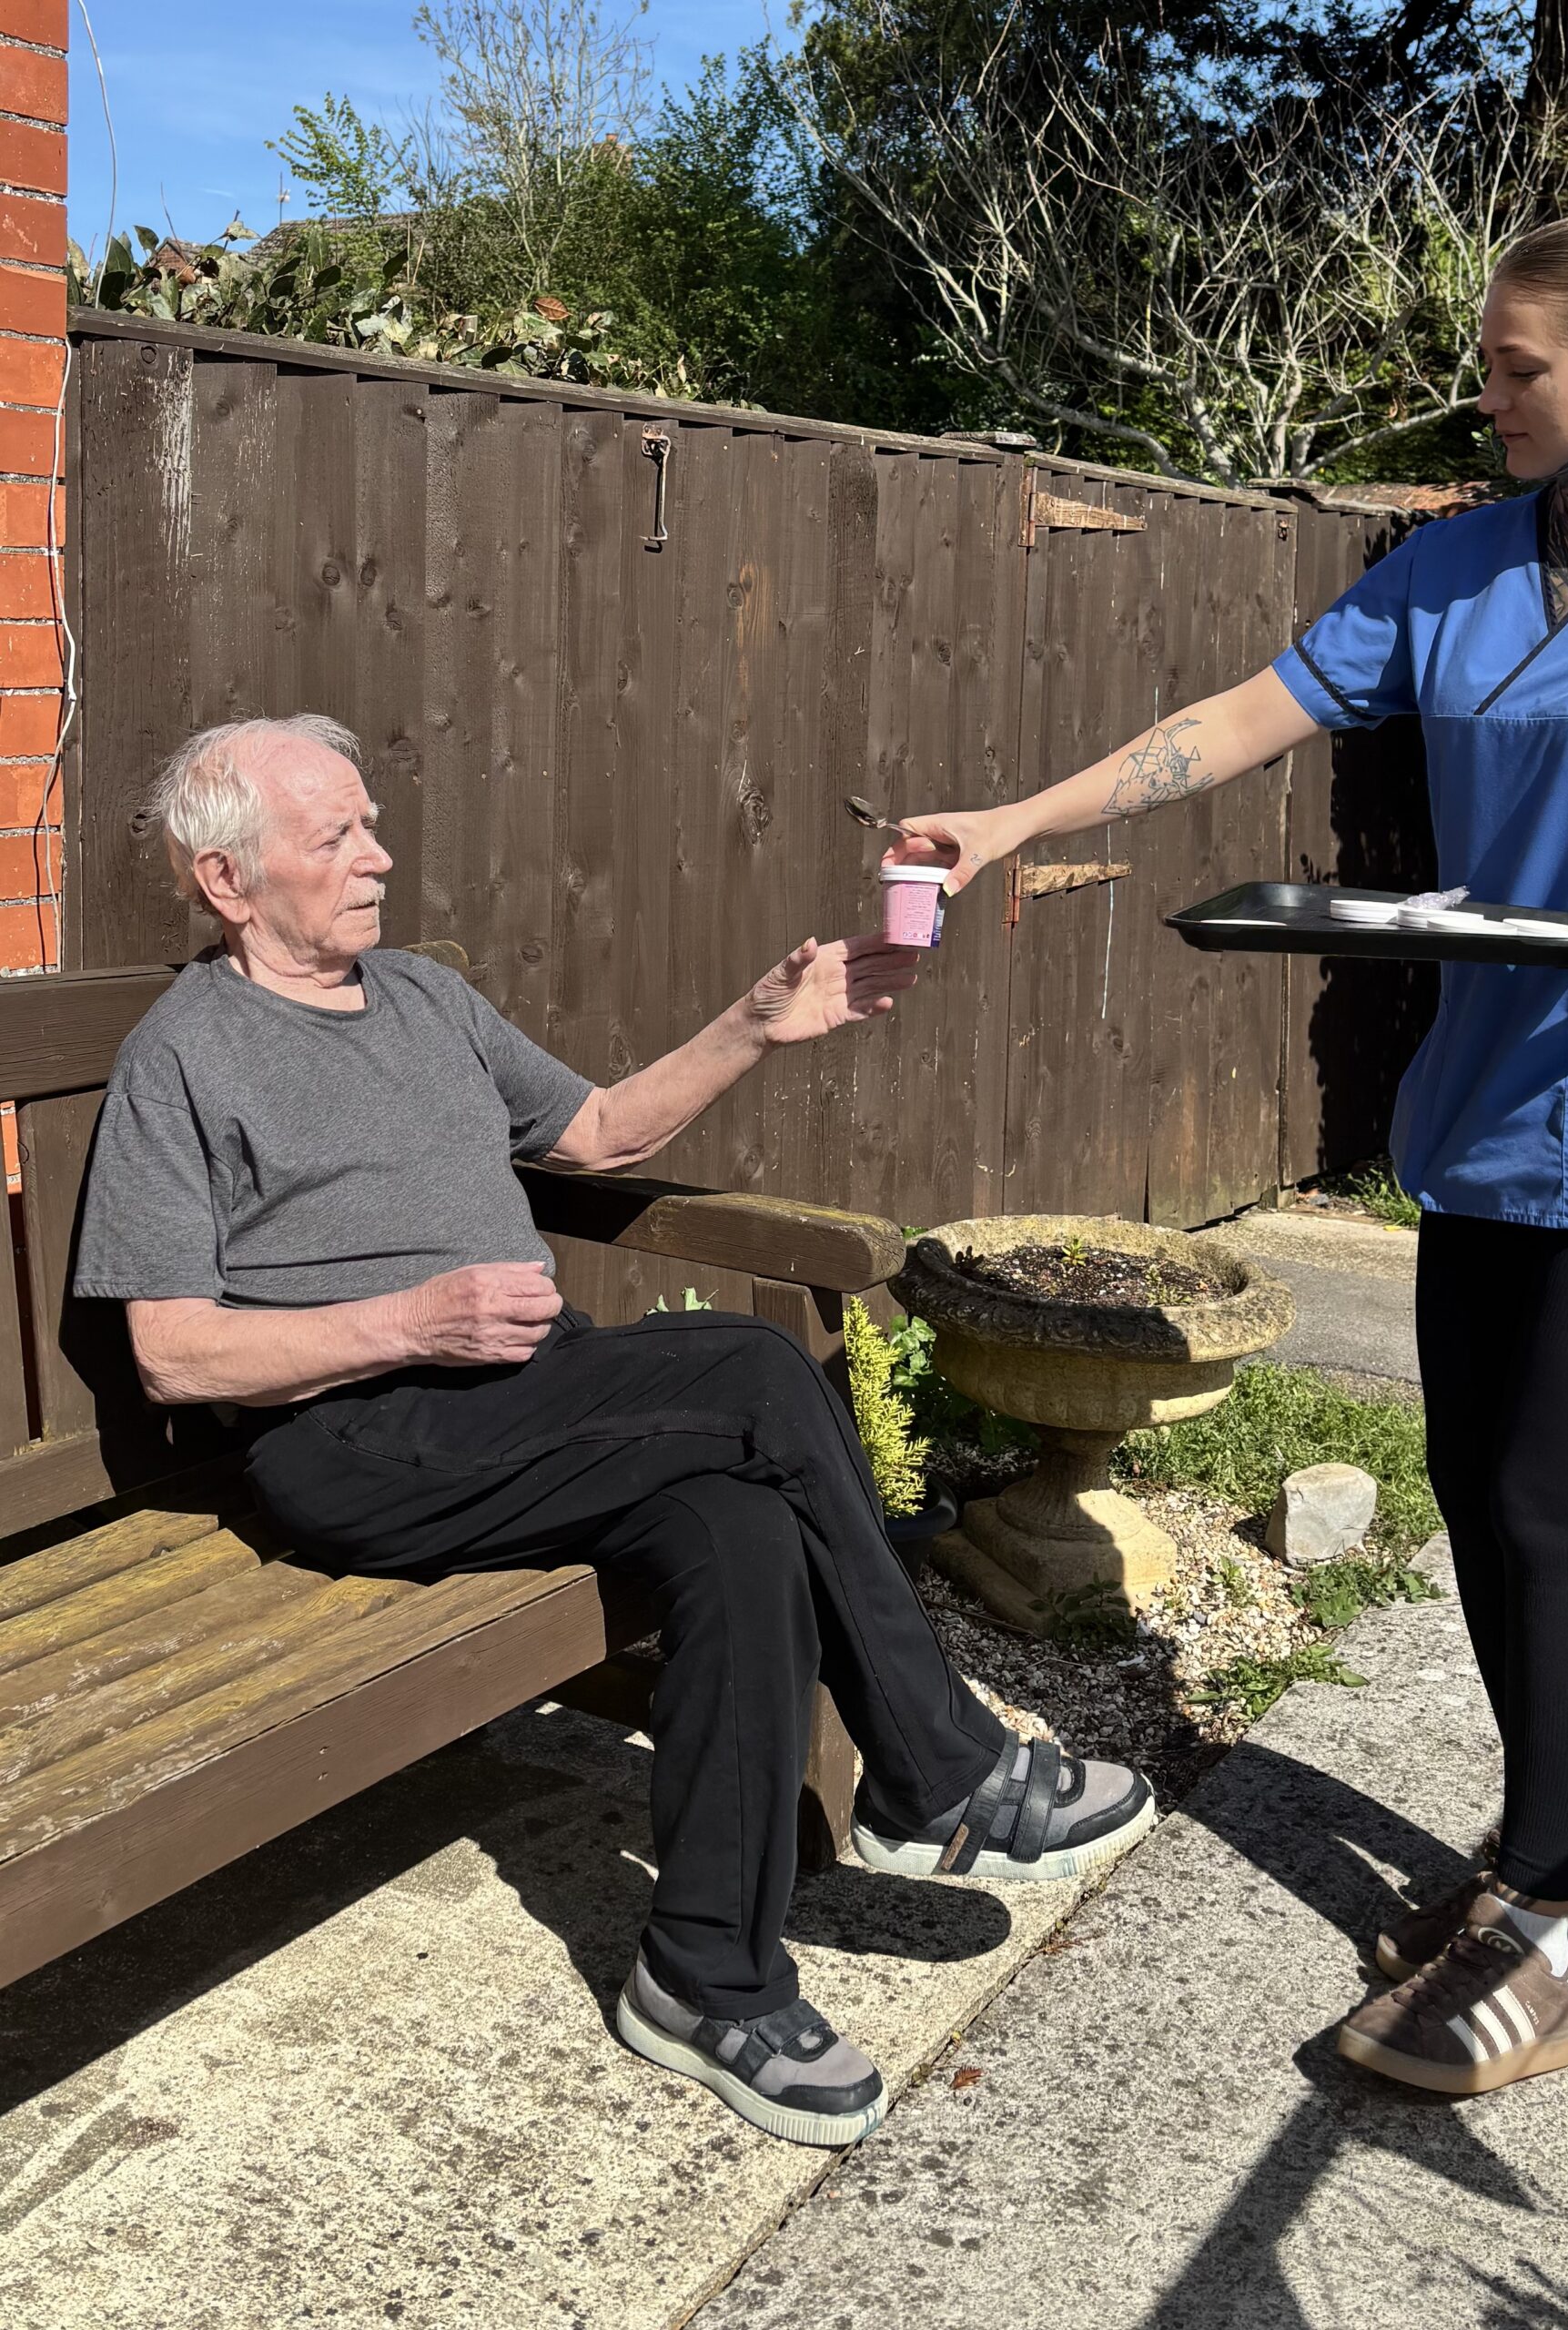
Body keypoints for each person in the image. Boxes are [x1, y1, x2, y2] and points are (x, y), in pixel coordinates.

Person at [890, 211, 1568, 2098]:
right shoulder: (1449, 568)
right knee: (1473, 1488)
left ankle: (1533, 1926)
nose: (1489, 395)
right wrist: (1015, 821)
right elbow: (1232, 721)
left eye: (1520, 369)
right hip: (1488, 1109)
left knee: (1547, 1506)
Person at [73, 714, 1154, 2148]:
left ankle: (704, 1977)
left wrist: (752, 1025)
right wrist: (406, 1325)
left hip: (521, 1396)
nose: (379, 855)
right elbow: (169, 1351)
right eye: (334, 836)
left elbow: (594, 1134)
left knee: (740, 1525)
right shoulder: (185, 1056)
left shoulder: (416, 1000)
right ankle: (940, 1766)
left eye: (371, 823)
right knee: (759, 1376)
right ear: (225, 881)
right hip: (356, 1433)